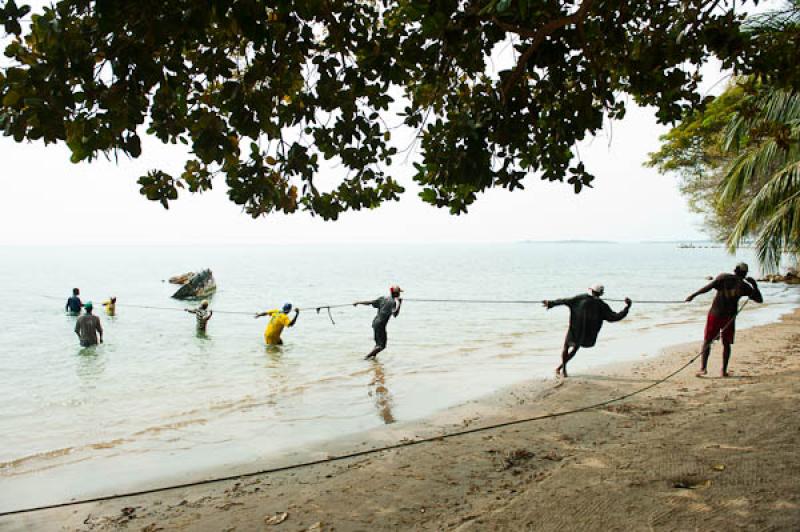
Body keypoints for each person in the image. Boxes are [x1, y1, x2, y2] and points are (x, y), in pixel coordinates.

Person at [685, 262, 763, 377]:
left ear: (735, 270)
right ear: (745, 273)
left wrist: (693, 295)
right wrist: (754, 285)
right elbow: (759, 300)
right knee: (726, 344)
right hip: (729, 318)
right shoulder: (744, 286)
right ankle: (723, 371)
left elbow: (708, 288)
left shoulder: (724, 278)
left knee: (707, 341)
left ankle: (703, 368)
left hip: (715, 314)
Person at [543, 284, 631, 378]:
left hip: (574, 329)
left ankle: (563, 368)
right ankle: (561, 368)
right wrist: (627, 307)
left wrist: (551, 303)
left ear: (591, 290)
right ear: (601, 294)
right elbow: (614, 317)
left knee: (566, 346)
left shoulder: (581, 298)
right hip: (585, 333)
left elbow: (565, 301)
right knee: (574, 349)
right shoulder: (602, 305)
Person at [354, 285, 403, 360]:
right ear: (397, 294)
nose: (400, 294)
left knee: (378, 344)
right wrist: (399, 304)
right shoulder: (394, 302)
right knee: (382, 346)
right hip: (381, 325)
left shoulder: (383, 298)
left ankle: (373, 360)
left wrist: (358, 302)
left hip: (375, 322)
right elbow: (395, 314)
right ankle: (366, 358)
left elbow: (370, 302)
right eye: (399, 292)